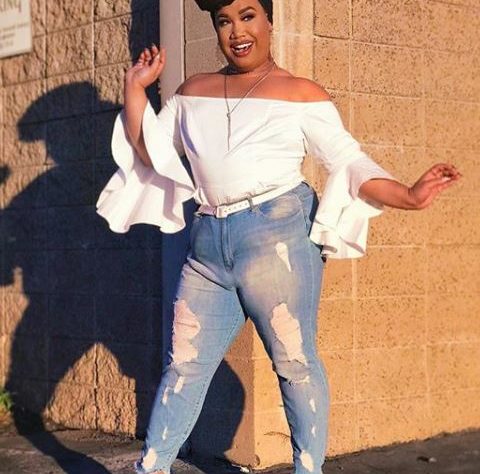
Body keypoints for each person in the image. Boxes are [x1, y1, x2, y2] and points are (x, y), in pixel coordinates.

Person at [96, 1, 462, 473]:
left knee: (294, 364)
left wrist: (408, 195)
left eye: (248, 16)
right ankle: (150, 469)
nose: (237, 31)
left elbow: (348, 162)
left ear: (269, 21)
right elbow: (149, 154)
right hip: (207, 247)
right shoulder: (192, 92)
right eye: (225, 21)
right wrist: (135, 89)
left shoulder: (301, 94)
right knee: (183, 366)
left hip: (277, 236)